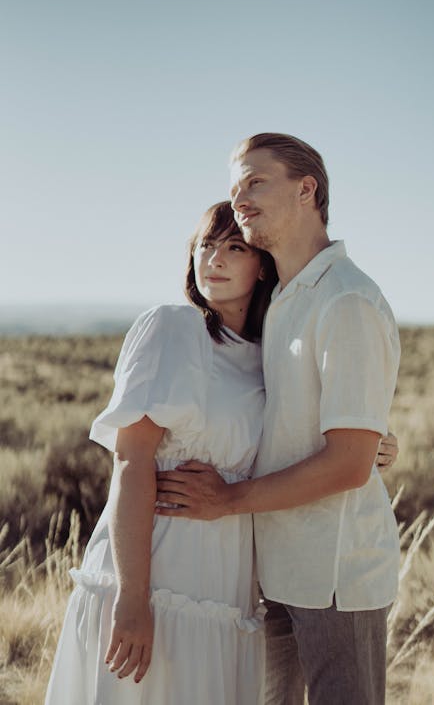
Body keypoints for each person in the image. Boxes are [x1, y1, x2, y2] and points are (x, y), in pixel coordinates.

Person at [155, 133, 401, 705]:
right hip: (275, 571)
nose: (239, 198)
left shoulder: (347, 300)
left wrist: (228, 500)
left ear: (306, 190)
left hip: (336, 577)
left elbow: (347, 463)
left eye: (254, 182)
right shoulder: (286, 301)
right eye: (234, 187)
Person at [45, 201, 278, 705]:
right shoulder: (174, 328)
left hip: (224, 579)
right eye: (204, 246)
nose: (213, 258)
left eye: (233, 247)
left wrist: (374, 447)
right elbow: (131, 461)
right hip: (155, 570)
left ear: (262, 264)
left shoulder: (269, 354)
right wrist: (132, 598)